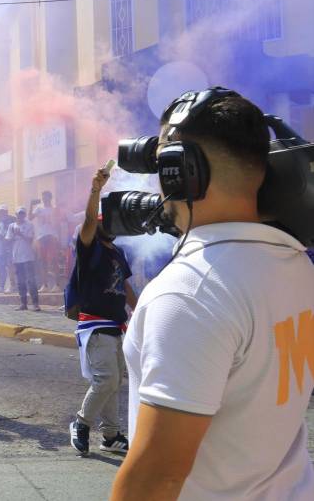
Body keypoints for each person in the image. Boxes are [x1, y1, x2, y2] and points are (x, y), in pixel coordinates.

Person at [112, 91, 314, 500]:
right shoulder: (295, 263)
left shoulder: (189, 294)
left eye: (162, 165)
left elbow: (157, 477)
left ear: (180, 174)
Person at [69, 166, 137, 457]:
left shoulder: (117, 253)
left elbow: (125, 285)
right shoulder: (90, 248)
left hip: (115, 324)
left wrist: (139, 310)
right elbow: (87, 219)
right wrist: (96, 189)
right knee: (106, 379)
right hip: (95, 325)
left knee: (114, 381)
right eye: (103, 221)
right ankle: (81, 422)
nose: (109, 225)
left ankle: (110, 436)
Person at [6, 207, 39, 311]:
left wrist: (20, 234)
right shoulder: (11, 226)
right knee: (20, 282)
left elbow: (30, 239)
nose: (21, 216)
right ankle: (23, 303)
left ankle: (35, 304)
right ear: (16, 215)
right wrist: (13, 235)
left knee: (31, 281)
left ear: (24, 215)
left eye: (22, 214)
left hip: (28, 257)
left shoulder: (29, 224)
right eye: (19, 214)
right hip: (16, 257)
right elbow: (7, 241)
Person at [31, 191, 61, 292]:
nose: (44, 199)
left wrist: (59, 238)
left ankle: (57, 285)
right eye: (43, 197)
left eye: (46, 197)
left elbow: (58, 224)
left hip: (52, 236)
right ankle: (45, 285)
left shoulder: (55, 209)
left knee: (54, 260)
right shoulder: (38, 208)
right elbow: (30, 218)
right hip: (41, 237)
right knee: (42, 261)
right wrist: (31, 205)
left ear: (50, 198)